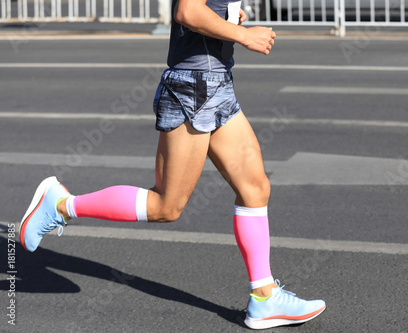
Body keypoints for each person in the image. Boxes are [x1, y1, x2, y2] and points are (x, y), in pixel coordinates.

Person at [19, 0, 326, 329]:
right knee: (166, 206)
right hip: (192, 87)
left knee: (255, 188)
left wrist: (231, 13)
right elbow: (188, 12)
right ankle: (61, 205)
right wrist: (243, 35)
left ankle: (265, 298)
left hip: (216, 83)